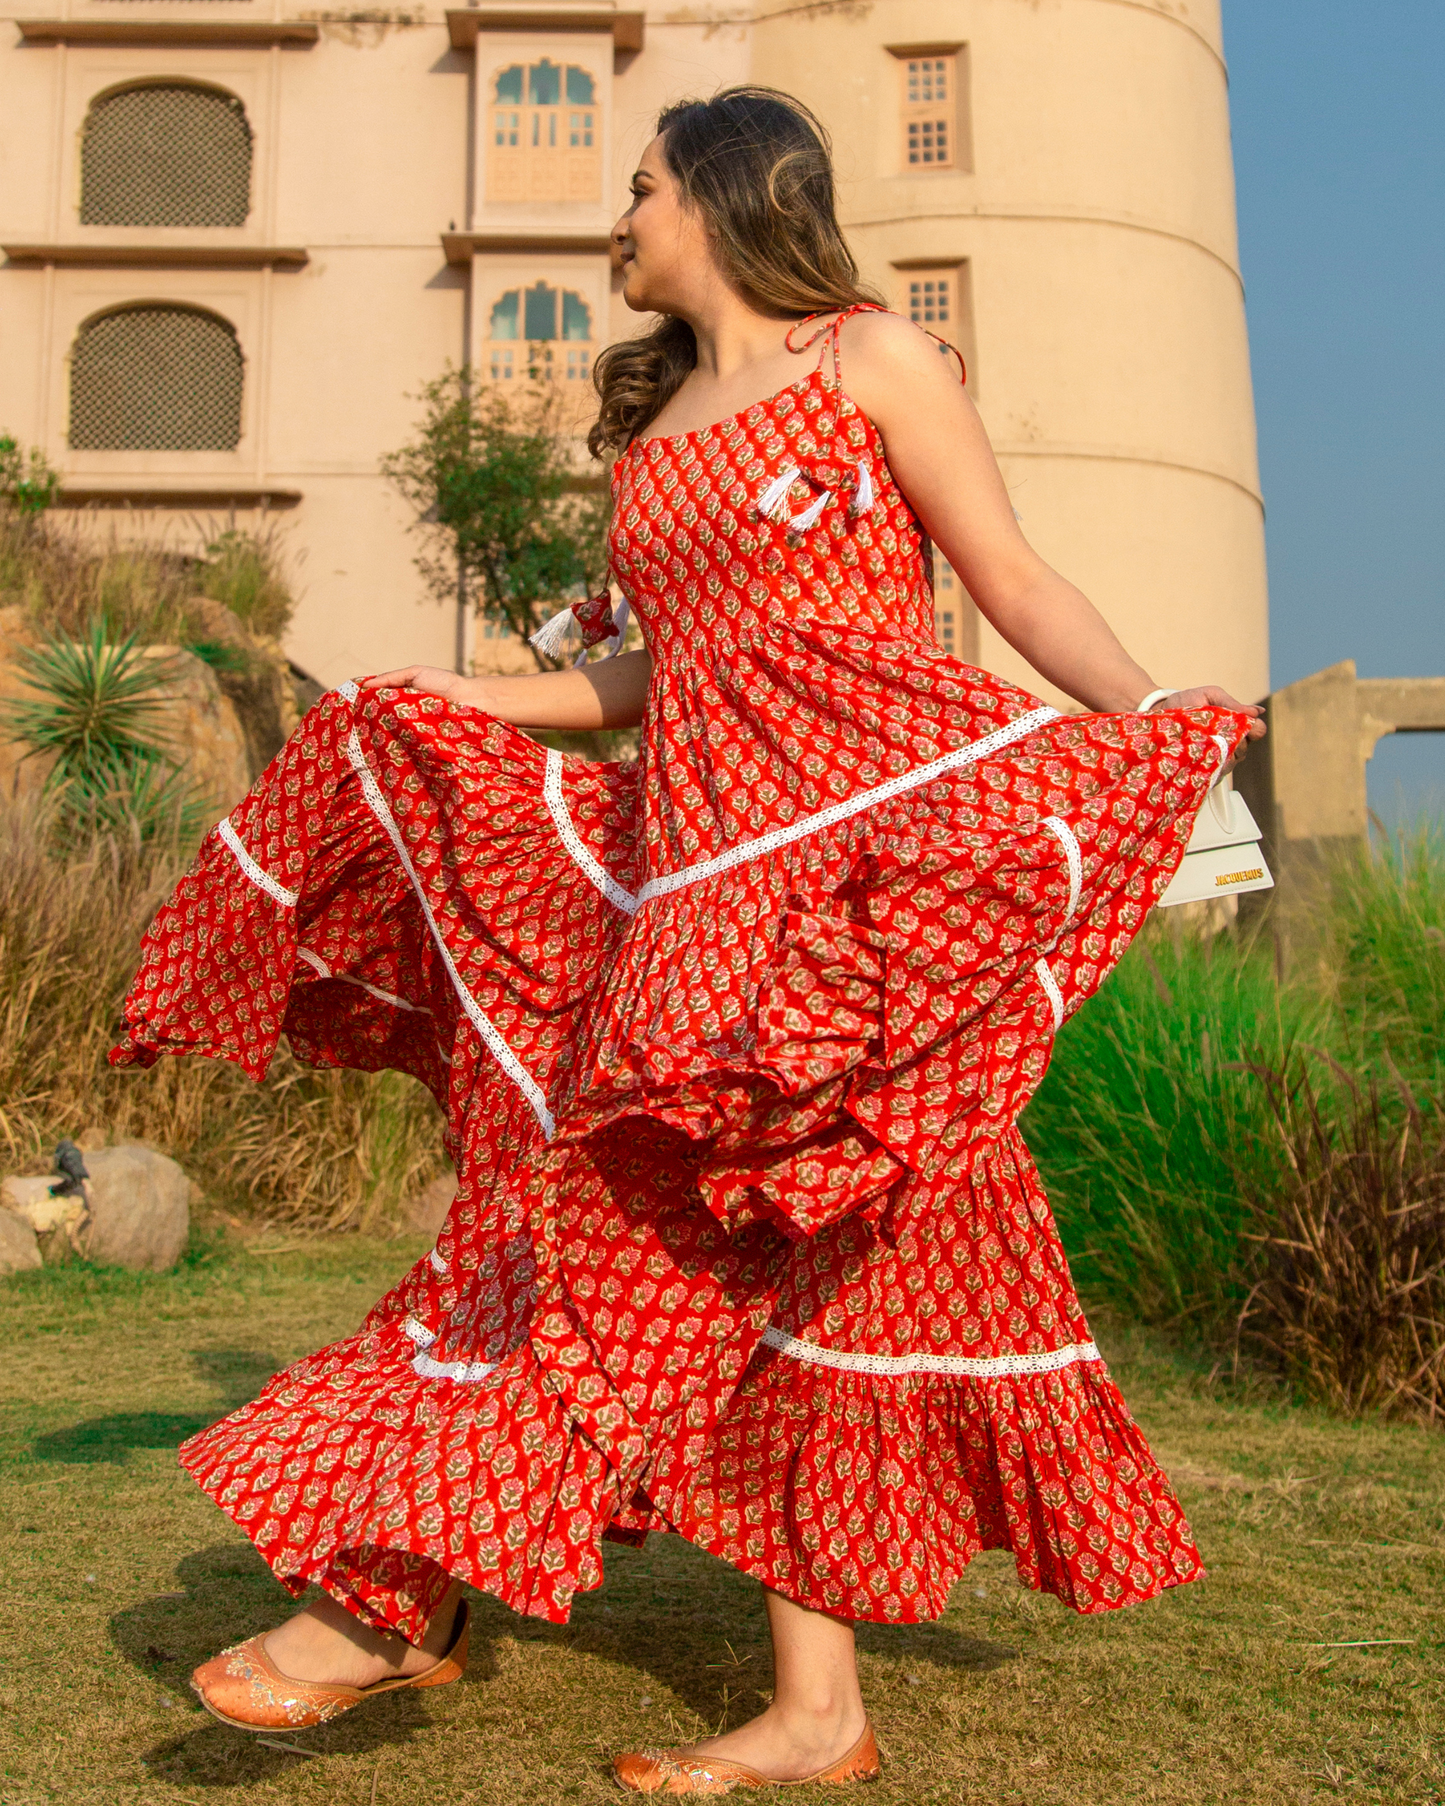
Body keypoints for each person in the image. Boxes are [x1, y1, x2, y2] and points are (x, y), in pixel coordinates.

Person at [114, 86, 1263, 1793]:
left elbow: (1010, 580)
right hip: (701, 867)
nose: (621, 216)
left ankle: (392, 1598)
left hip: (851, 862)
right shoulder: (656, 437)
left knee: (630, 1222)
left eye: (641, 186)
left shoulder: (873, 361)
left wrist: (1175, 744)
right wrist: (466, 695)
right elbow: (660, 677)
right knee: (778, 1245)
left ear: (723, 198)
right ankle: (807, 1708)